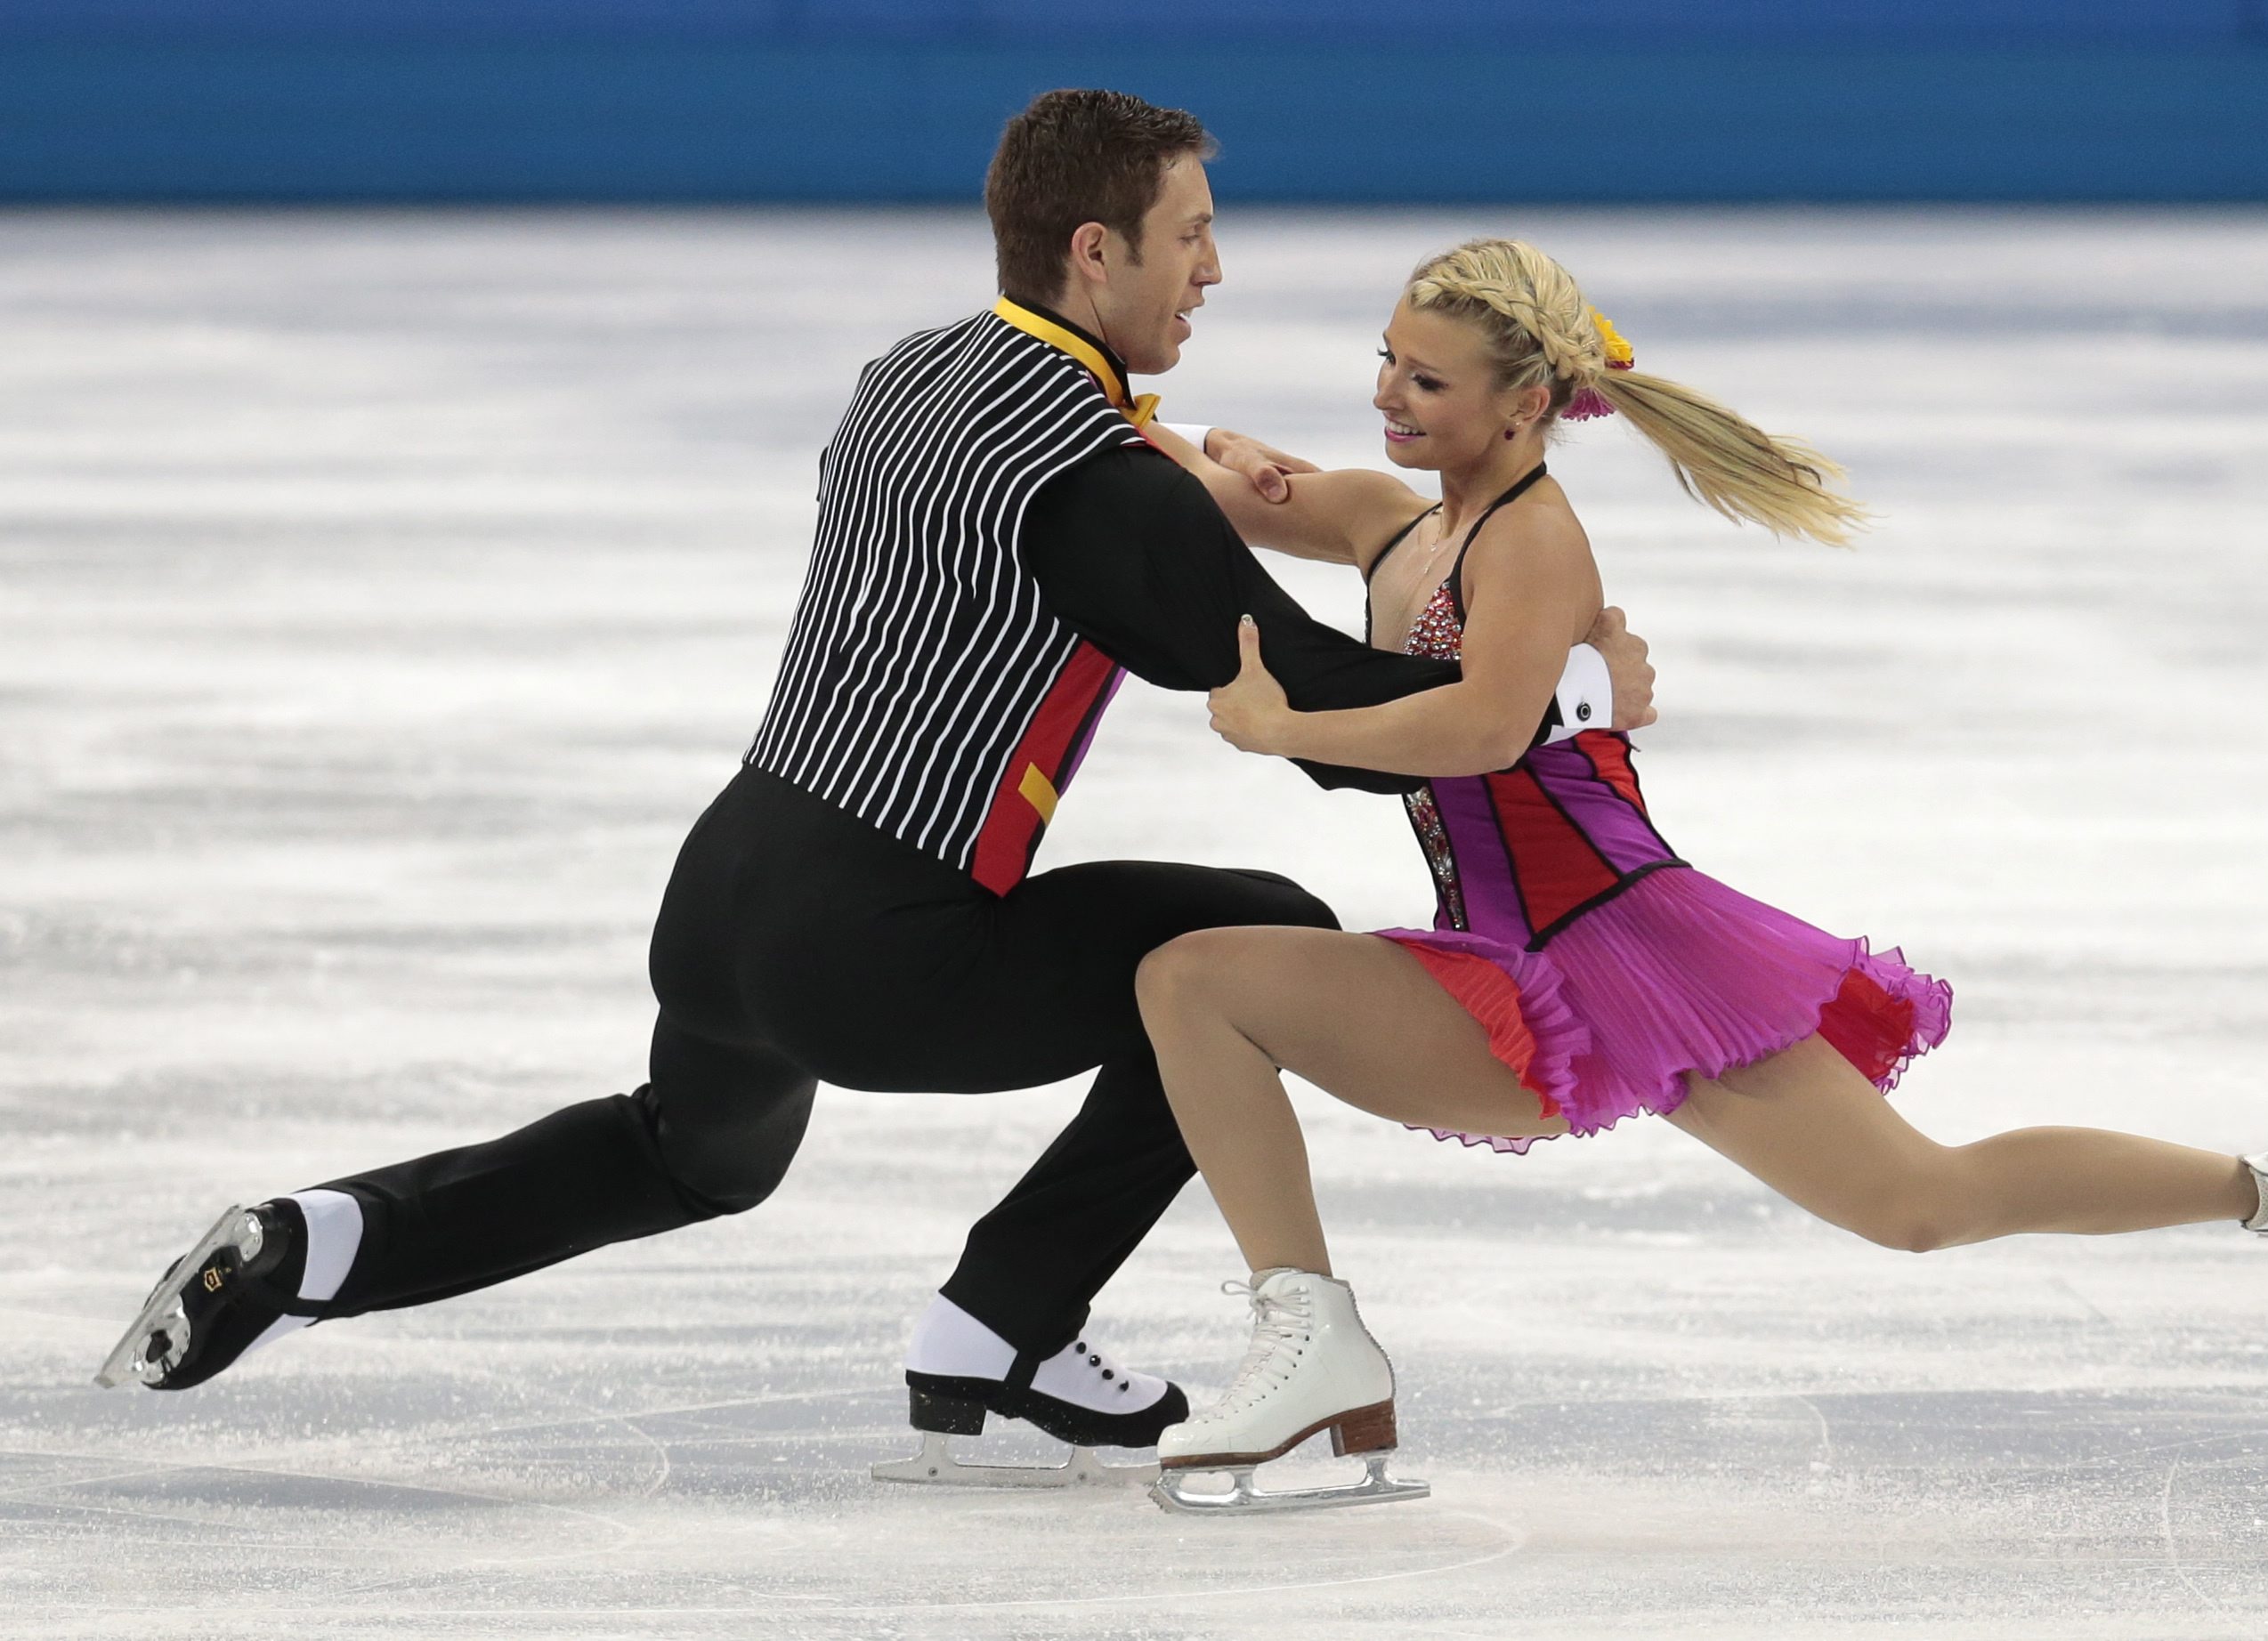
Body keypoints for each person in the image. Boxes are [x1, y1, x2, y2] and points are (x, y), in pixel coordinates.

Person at [93, 96, 1658, 1483]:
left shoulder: (920, 369)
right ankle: (1004, 1319)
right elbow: (1309, 711)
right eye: (1191, 233)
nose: (1216, 268)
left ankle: (320, 1242)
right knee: (1249, 950)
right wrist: (1562, 696)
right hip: (878, 947)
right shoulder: (1102, 489)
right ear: (1097, 249)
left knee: (688, 1153)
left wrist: (1221, 488)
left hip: (726, 894)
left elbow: (1087, 472)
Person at [1126, 237, 2268, 1510]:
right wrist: (1130, 416)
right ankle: (1310, 1331)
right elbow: (1216, 492)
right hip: (1500, 956)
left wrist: (1279, 728)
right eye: (1383, 357)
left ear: (1524, 405)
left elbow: (1486, 725)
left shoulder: (1536, 542)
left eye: (1424, 377)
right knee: (1197, 982)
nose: (1388, 391)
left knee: (1922, 1205)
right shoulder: (1397, 518)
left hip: (1626, 946)